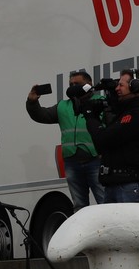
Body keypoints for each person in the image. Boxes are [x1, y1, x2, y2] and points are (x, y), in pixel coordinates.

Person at [26, 70, 105, 208]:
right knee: (79, 206)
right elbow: (41, 115)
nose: (73, 87)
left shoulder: (100, 102)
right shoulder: (63, 106)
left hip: (96, 160)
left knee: (104, 202)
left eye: (77, 84)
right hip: (72, 163)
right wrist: (32, 102)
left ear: (89, 84)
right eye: (71, 84)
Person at [84, 70, 139, 204]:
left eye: (121, 85)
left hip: (128, 186)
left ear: (135, 86)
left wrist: (91, 117)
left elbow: (103, 141)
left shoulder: (137, 114)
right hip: (115, 184)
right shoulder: (125, 113)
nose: (117, 89)